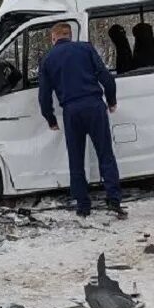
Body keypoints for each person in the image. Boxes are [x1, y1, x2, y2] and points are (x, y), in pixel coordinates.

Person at [38, 23, 124, 217]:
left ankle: (83, 206)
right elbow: (106, 78)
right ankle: (114, 200)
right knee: (105, 154)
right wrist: (111, 101)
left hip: (71, 111)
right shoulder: (86, 48)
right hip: (94, 106)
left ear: (54, 38)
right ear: (70, 35)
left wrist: (50, 118)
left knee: (75, 159)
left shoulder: (48, 59)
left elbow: (44, 96)